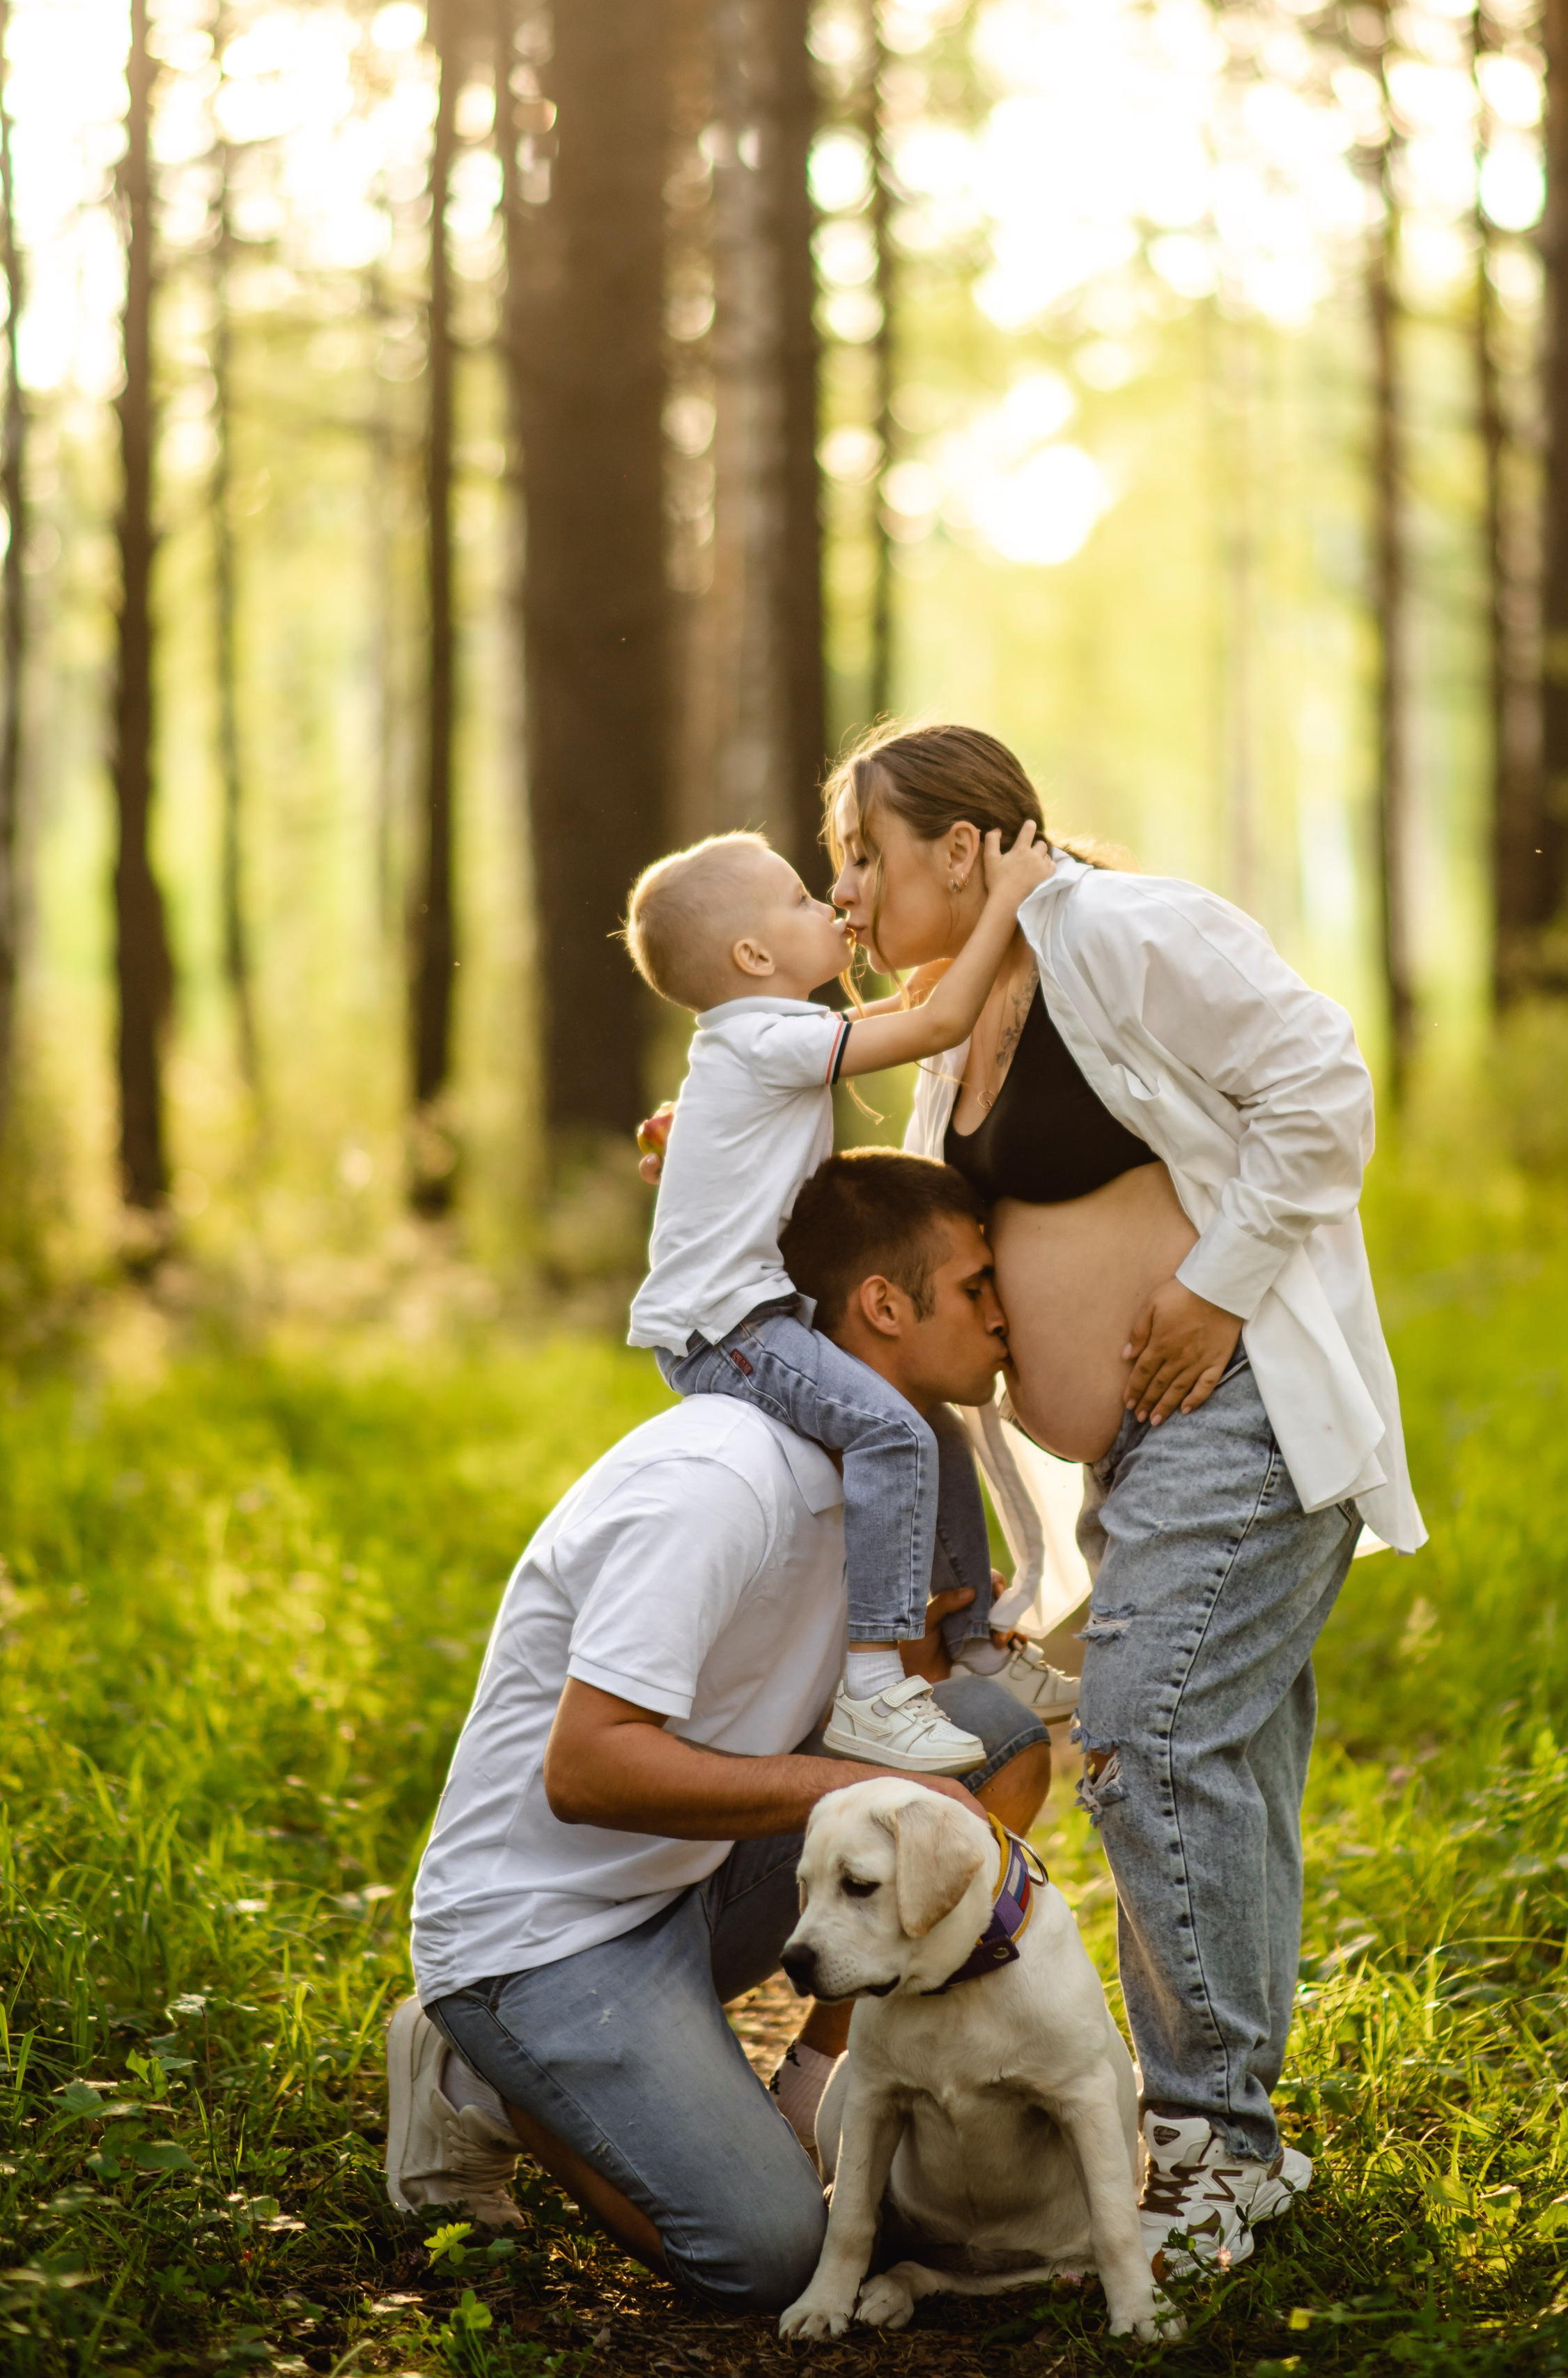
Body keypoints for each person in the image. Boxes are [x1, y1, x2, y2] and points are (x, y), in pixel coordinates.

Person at [823, 721, 1426, 2278]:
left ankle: (1211, 2146)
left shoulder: (1126, 930)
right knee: (1215, 1755)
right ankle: (1241, 2141)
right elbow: (919, 1241)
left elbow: (1322, 1084)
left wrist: (1216, 1290)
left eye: (863, 854)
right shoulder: (959, 1021)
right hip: (1136, 1460)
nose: (847, 890)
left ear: (962, 849)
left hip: (1240, 1411)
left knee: (1150, 1741)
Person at [386, 1152, 1053, 2311]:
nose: (1006, 1313)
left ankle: (818, 2076)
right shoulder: (718, 1480)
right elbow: (587, 1766)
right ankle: (485, 2071)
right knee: (772, 2258)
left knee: (988, 1742)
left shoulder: (896, 1468)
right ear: (884, 1306)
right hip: (543, 1936)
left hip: (687, 1886)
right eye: (979, 1283)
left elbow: (912, 1719)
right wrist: (843, 1791)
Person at [621, 821, 1073, 1775]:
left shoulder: (750, 1037)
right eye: (796, 899)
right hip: (732, 1333)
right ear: (753, 956)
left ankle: (978, 1646)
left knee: (933, 1422)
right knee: (892, 1434)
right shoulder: (774, 1037)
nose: (826, 900)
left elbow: (910, 1006)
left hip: (747, 1317)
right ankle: (874, 1684)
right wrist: (1009, 898)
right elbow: (938, 1024)